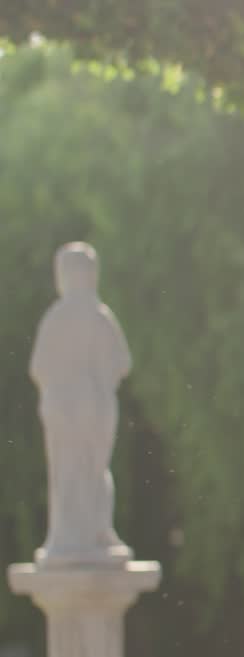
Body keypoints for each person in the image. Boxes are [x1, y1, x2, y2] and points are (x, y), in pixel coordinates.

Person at [30, 241, 132, 567]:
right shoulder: (100, 317)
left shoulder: (57, 319)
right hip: (91, 407)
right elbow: (122, 363)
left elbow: (38, 368)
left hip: (70, 409)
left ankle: (77, 533)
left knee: (73, 472)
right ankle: (90, 531)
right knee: (90, 470)